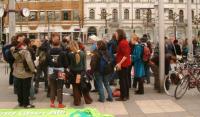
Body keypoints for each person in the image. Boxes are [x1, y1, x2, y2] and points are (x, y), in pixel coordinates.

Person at [11, 34, 36, 108]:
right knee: (26, 89)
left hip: (17, 72)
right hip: (26, 73)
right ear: (24, 46)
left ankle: (20, 102)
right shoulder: (26, 52)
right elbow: (29, 61)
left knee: (19, 89)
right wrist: (33, 70)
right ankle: (26, 104)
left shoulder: (14, 51)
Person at [68, 41, 93, 106]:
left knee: (75, 88)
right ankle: (88, 100)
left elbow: (70, 65)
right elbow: (84, 65)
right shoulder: (82, 53)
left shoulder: (70, 54)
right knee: (83, 86)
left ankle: (77, 102)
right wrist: (84, 73)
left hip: (73, 73)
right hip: (81, 72)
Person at [47, 33, 68, 108]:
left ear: (52, 44)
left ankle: (52, 103)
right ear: (59, 44)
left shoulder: (48, 52)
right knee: (60, 87)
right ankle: (60, 103)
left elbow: (47, 62)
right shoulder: (62, 52)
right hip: (60, 71)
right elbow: (66, 64)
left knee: (52, 87)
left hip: (51, 70)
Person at [115, 29, 131, 101]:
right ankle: (126, 96)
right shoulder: (124, 42)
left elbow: (125, 55)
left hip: (123, 65)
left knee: (123, 81)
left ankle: (123, 96)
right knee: (125, 80)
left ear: (119, 34)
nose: (115, 35)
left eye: (116, 34)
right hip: (125, 64)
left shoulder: (122, 43)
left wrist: (119, 63)